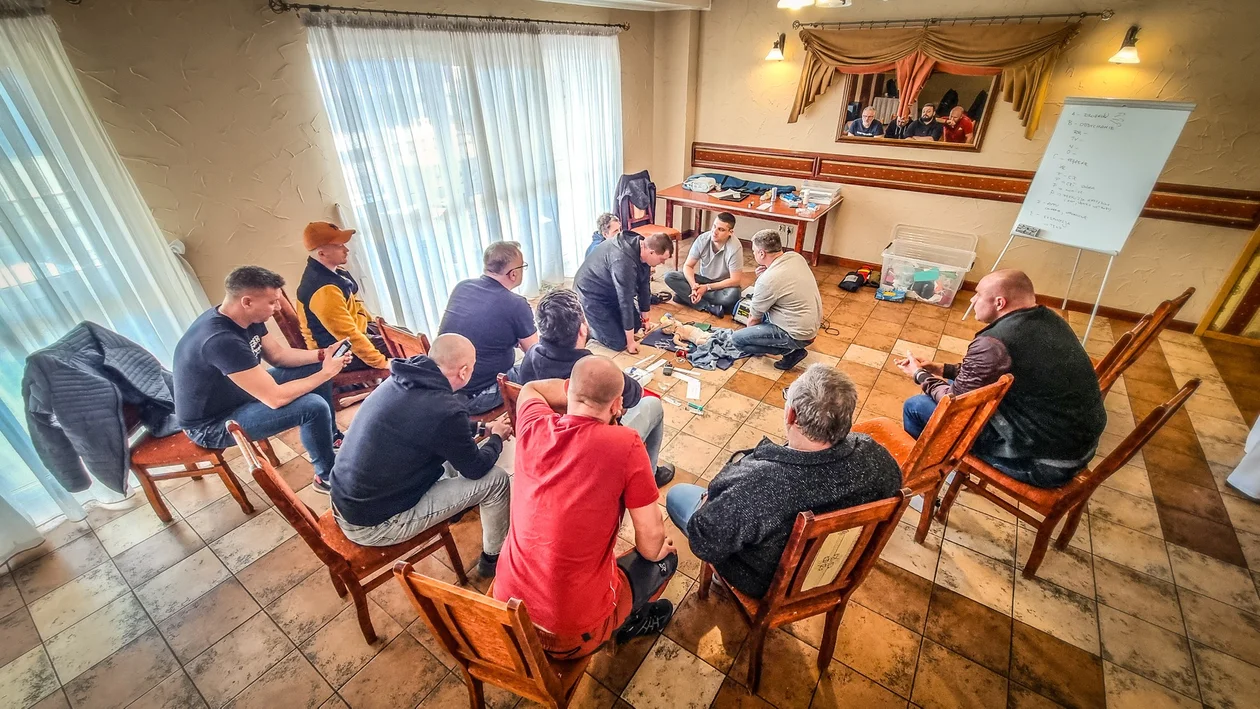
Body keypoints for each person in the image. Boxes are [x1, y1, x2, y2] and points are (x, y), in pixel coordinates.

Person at [493, 358, 679, 658]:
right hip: (571, 636)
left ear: (568, 390)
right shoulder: (626, 443)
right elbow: (650, 544)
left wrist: (576, 391)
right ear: (617, 405)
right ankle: (628, 622)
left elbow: (530, 389)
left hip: (507, 611)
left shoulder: (533, 424)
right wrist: (659, 550)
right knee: (665, 559)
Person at [665, 365, 901, 598]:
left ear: (792, 415)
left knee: (679, 495)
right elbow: (893, 483)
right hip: (835, 570)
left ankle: (722, 575)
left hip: (765, 581)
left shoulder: (758, 484)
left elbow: (705, 543)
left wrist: (710, 502)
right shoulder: (877, 457)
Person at [898, 270, 1107, 488]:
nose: (972, 300)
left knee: (916, 407)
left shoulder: (993, 343)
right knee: (953, 387)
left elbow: (953, 401)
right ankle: (938, 465)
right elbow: (984, 373)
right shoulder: (1049, 320)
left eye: (978, 295)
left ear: (999, 302)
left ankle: (921, 480)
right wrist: (940, 369)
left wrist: (919, 374)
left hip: (1042, 464)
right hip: (1074, 445)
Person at [330, 334, 511, 577]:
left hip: (346, 500)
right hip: (375, 523)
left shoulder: (401, 379)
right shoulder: (444, 409)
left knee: (451, 454)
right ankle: (494, 560)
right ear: (464, 371)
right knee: (496, 480)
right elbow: (476, 469)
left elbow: (438, 425)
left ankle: (456, 510)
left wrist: (482, 428)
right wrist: (496, 438)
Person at [173, 266, 350, 493]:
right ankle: (326, 477)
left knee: (314, 366)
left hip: (239, 394)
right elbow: (275, 399)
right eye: (272, 302)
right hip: (212, 424)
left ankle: (330, 439)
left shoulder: (246, 317)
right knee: (313, 406)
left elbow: (278, 356)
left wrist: (323, 355)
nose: (278, 307)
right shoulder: (219, 340)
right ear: (247, 302)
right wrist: (327, 373)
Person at [512, 288, 675, 486]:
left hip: (548, 446)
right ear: (582, 329)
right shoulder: (592, 370)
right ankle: (651, 475)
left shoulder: (531, 355)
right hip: (590, 450)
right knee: (653, 405)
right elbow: (634, 395)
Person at [438, 241, 539, 415]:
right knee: (538, 368)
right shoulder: (516, 304)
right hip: (478, 394)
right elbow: (534, 352)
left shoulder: (463, 287)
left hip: (445, 390)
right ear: (513, 274)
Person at [295, 221, 390, 371]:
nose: (346, 249)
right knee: (406, 349)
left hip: (355, 337)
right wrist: (381, 363)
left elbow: (356, 307)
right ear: (322, 254)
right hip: (337, 353)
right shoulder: (324, 289)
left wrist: (375, 326)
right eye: (339, 246)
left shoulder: (335, 274)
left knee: (402, 336)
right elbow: (347, 335)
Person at [729, 230, 822, 371]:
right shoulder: (796, 257)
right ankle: (790, 347)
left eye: (754, 251)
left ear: (762, 253)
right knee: (764, 310)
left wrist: (751, 336)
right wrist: (766, 273)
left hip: (798, 335)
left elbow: (754, 319)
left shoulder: (767, 281)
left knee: (738, 340)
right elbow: (782, 281)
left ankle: (790, 352)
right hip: (810, 327)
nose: (753, 254)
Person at [573, 231, 674, 354]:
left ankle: (608, 325)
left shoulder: (644, 246)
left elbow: (644, 286)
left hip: (611, 291)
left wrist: (645, 319)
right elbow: (625, 302)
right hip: (591, 295)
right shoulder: (623, 260)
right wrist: (631, 342)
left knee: (636, 326)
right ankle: (590, 327)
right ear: (651, 252)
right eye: (662, 259)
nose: (663, 263)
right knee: (619, 343)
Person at [662, 212, 744, 318]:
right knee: (670, 276)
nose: (714, 232)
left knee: (733, 295)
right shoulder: (702, 239)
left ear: (730, 232)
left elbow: (735, 280)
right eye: (714, 226)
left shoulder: (735, 248)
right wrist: (693, 286)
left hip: (721, 286)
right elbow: (688, 266)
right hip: (702, 281)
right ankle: (708, 306)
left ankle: (685, 297)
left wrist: (707, 287)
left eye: (721, 229)